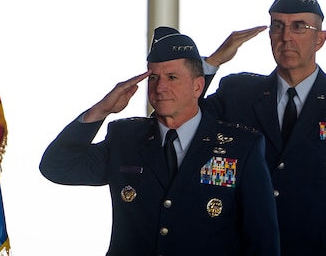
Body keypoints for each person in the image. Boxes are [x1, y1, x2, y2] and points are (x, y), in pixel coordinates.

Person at [39, 27, 280, 256]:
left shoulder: (241, 147)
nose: (160, 87)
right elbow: (57, 167)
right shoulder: (126, 139)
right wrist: (101, 110)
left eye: (172, 77)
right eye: (153, 77)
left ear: (198, 86)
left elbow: (261, 241)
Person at [201, 0, 326, 256]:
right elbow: (181, 119)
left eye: (298, 26)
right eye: (278, 26)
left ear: (320, 39)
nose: (286, 36)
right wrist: (213, 62)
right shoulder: (238, 93)